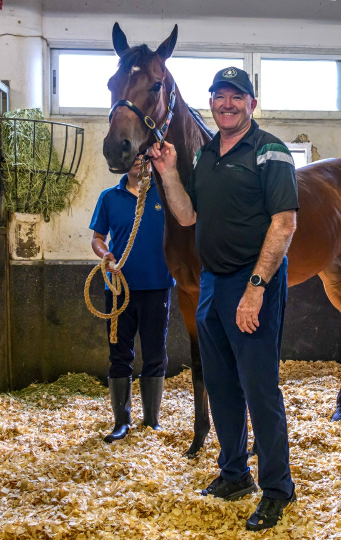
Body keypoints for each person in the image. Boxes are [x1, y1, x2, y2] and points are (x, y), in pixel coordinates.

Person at [148, 66, 298, 531]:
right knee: (221, 385)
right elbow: (187, 215)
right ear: (211, 103)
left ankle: (278, 489)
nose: (226, 104)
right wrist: (169, 174)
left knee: (259, 387)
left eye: (236, 97)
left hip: (250, 282)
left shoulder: (269, 150)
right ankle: (234, 473)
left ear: (252, 104)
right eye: (219, 96)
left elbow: (284, 223)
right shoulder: (206, 153)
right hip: (212, 282)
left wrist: (255, 288)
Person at [89, 155, 175, 443]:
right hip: (119, 287)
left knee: (155, 353)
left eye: (143, 155)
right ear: (123, 162)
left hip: (157, 284)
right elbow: (97, 238)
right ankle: (121, 422)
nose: (139, 160)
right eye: (133, 156)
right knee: (119, 354)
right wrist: (106, 254)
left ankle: (151, 420)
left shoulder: (163, 193)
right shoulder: (109, 197)